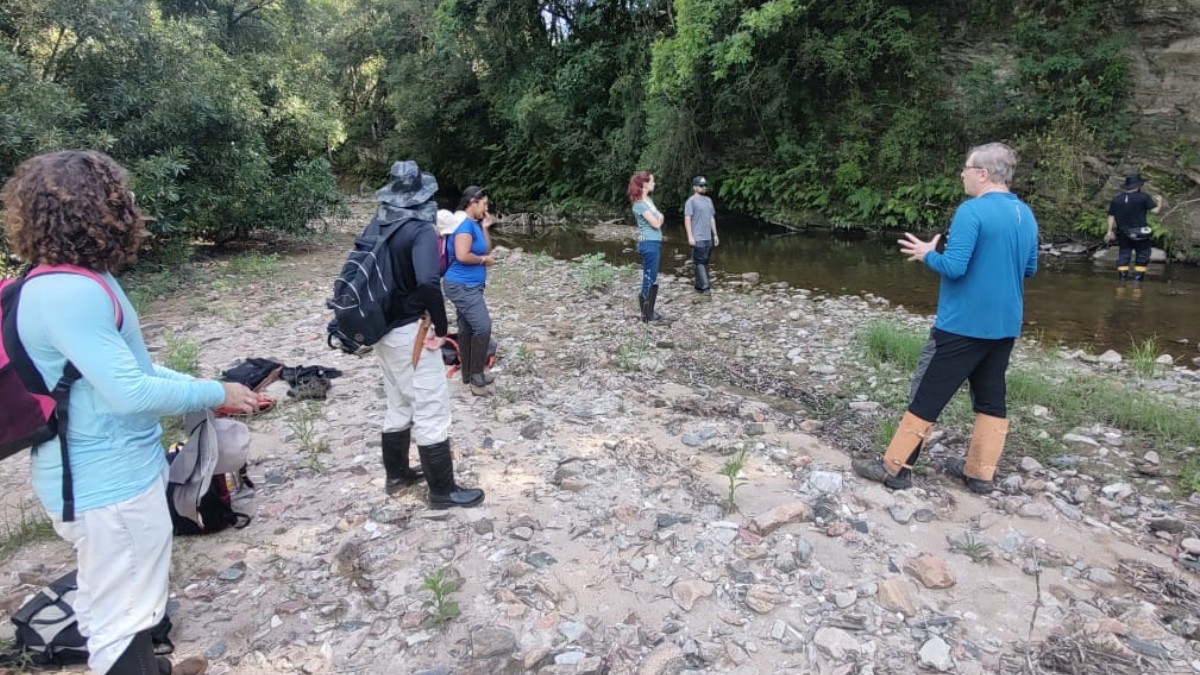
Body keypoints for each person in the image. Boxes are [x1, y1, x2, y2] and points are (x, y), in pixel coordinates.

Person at [3, 150, 260, 675]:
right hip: (106, 484)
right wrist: (214, 393)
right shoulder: (71, 294)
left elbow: (130, 370)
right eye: (122, 196)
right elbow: (131, 394)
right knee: (120, 619)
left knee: (123, 602)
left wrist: (205, 387)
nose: (132, 206)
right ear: (98, 209)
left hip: (110, 474)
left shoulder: (65, 279)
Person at [852, 142, 1039, 495]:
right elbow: (1029, 268)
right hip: (1005, 325)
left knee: (927, 392)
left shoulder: (972, 210)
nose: (962, 175)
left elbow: (954, 267)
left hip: (962, 323)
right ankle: (980, 473)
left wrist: (927, 254)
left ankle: (895, 469)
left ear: (983, 173)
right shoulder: (1024, 213)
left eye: (966, 169)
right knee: (991, 397)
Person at [372, 160, 484, 509]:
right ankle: (442, 490)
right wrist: (441, 325)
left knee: (398, 401)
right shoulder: (419, 229)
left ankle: (397, 475)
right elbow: (427, 280)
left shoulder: (379, 223)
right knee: (431, 405)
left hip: (382, 329)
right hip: (410, 331)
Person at [442, 186, 497, 397]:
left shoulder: (474, 224)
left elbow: (486, 248)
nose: (486, 208)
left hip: (470, 285)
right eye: (484, 204)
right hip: (461, 285)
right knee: (483, 327)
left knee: (466, 329)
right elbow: (462, 255)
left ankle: (467, 374)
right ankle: (477, 377)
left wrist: (486, 227)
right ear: (472, 203)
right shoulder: (464, 226)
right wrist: (483, 261)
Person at [1105, 173, 1163, 282]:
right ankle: (1138, 280)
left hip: (1123, 233)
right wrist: (1159, 201)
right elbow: (1155, 211)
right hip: (1140, 233)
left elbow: (1111, 216)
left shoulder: (1116, 199)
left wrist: (1109, 231)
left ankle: (1122, 280)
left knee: (1124, 254)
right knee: (1143, 254)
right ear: (1138, 186)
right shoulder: (1144, 197)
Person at [628, 171, 667, 322]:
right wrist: (661, 217)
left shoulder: (648, 200)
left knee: (652, 276)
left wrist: (660, 217)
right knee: (649, 277)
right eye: (652, 181)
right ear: (644, 184)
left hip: (654, 242)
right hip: (648, 243)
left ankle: (649, 310)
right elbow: (656, 223)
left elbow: (657, 219)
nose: (654, 183)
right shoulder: (639, 204)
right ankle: (646, 314)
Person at [684, 175, 719, 295]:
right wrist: (690, 236)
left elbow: (711, 218)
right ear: (694, 187)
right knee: (699, 262)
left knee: (704, 262)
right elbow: (687, 219)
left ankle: (699, 285)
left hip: (708, 237)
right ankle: (706, 287)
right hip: (697, 237)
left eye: (705, 185)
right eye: (701, 185)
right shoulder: (691, 201)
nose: (704, 187)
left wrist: (715, 235)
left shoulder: (709, 200)